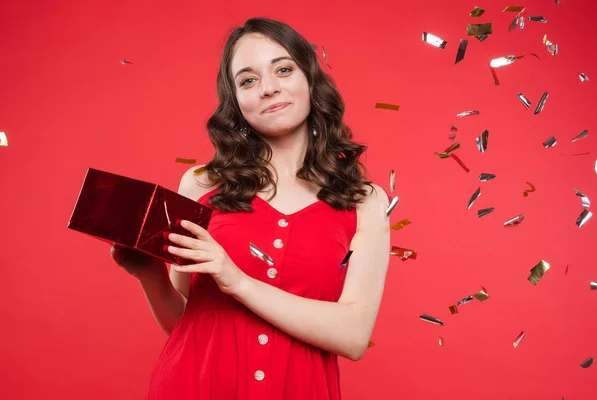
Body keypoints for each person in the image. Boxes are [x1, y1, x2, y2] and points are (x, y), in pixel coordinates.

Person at [111, 17, 391, 400]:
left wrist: (237, 281)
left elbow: (354, 336)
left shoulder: (365, 201)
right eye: (248, 80)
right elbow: (185, 322)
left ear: (310, 79)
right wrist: (151, 276)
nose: (269, 88)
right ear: (236, 103)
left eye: (283, 69)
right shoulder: (202, 184)